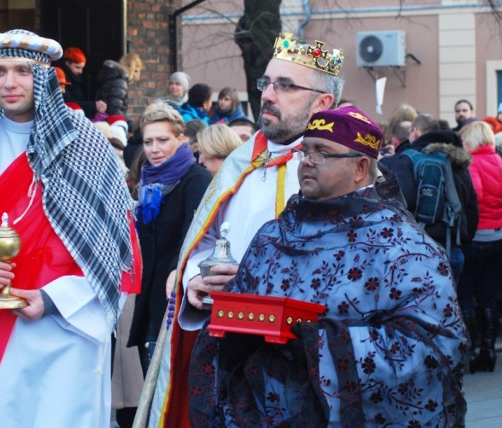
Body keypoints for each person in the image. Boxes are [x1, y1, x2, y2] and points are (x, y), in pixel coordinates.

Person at [187, 105, 467, 426]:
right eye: (305, 151)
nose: (307, 161)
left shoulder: (403, 245)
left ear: (360, 167)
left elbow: (434, 348)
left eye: (322, 153)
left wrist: (313, 341)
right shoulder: (273, 233)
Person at [0, 29, 140, 427]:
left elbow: (116, 250)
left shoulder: (88, 144)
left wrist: (53, 299)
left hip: (69, 325)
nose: (9, 82)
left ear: (43, 76)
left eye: (23, 70)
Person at [137, 32, 344, 427]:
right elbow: (209, 239)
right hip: (228, 355)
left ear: (323, 103)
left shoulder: (347, 169)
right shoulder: (240, 163)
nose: (268, 94)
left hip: (311, 363)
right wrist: (196, 277)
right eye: (267, 82)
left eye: (285, 86)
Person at [127, 102, 212, 373]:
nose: (154, 149)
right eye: (148, 141)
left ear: (181, 139)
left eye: (163, 140)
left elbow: (195, 232)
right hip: (148, 293)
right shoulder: (148, 180)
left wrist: (178, 268)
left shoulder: (196, 178)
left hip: (179, 292)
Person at [386, 113, 479, 281]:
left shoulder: (408, 159)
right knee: (449, 304)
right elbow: (471, 206)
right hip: (454, 248)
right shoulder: (458, 161)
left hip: (416, 249)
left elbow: (397, 206)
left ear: (414, 132)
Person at [457, 121, 502, 373]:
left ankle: (474, 351)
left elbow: (476, 198)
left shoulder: (473, 163)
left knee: (466, 292)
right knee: (487, 293)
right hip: (498, 235)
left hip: (477, 237)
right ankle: (488, 351)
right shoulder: (499, 160)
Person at [59, 46, 106, 118]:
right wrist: (93, 105)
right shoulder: (60, 78)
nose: (80, 71)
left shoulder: (76, 79)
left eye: (82, 68)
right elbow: (68, 102)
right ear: (67, 63)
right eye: (77, 67)